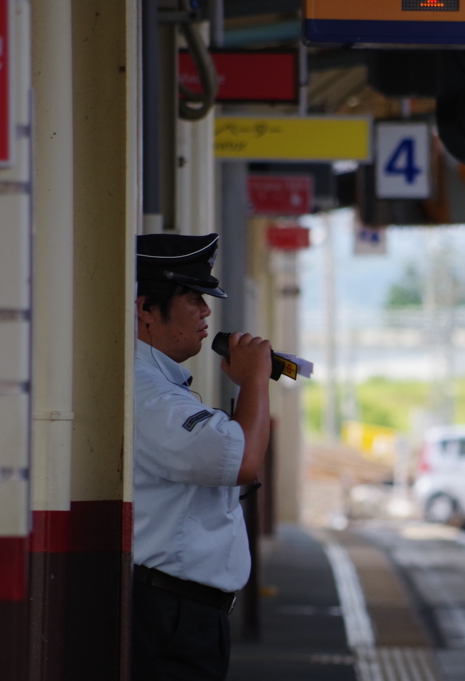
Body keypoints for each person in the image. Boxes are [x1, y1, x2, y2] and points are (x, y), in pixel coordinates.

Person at [131, 233, 271, 681]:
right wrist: (255, 381)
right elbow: (244, 462)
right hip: (170, 614)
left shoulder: (162, 387)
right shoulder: (151, 397)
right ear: (146, 309)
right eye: (194, 298)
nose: (207, 312)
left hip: (181, 611)